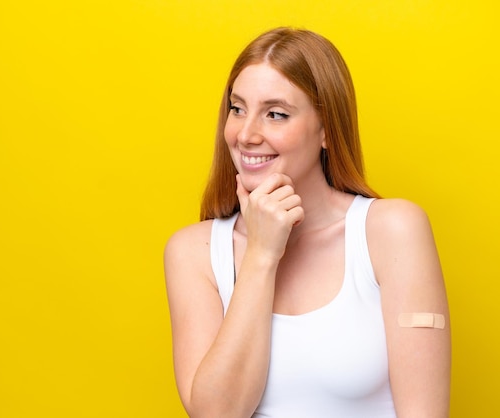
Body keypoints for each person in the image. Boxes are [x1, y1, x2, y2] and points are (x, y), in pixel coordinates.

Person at [164, 27, 451, 417]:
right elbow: (215, 413)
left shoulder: (393, 232)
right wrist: (262, 255)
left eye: (275, 114)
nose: (246, 134)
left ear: (327, 130)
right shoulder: (193, 253)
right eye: (237, 108)